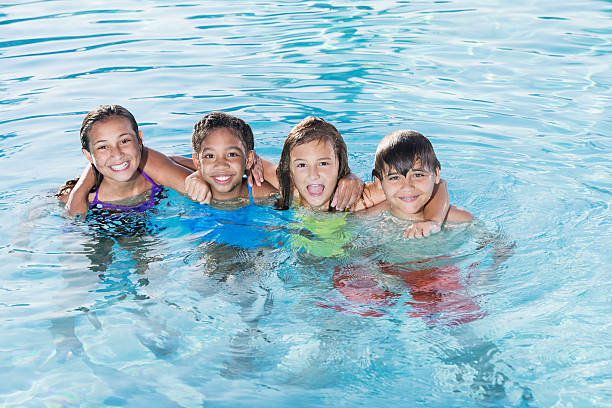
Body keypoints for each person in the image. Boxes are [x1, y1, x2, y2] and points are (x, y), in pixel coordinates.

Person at [58, 105, 194, 216]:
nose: (117, 154)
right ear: (88, 155)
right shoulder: (82, 200)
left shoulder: (156, 171)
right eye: (103, 147)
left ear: (139, 139)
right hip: (103, 222)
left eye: (124, 141)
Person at [365, 129, 472, 224]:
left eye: (418, 175)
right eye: (394, 178)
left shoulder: (461, 221)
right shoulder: (366, 220)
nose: (407, 187)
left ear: (436, 174)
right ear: (378, 182)